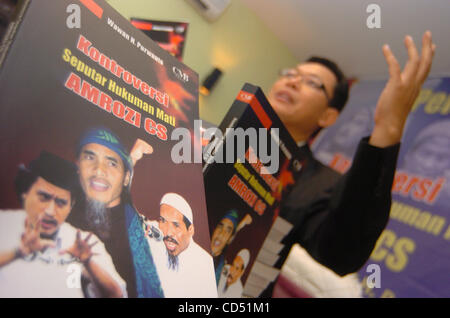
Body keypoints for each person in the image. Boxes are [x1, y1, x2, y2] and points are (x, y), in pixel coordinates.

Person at [260, 32, 436, 296]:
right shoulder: (213, 138)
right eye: (290, 73)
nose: (293, 81)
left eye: (312, 82)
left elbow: (341, 253)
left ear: (328, 116)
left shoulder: (321, 183)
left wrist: (388, 129)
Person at [0, 151, 125, 297]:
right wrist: (17, 253)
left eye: (61, 203)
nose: (51, 211)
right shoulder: (4, 223)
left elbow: (117, 295)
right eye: (44, 198)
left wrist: (88, 263)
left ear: (71, 206)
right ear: (26, 194)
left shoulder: (84, 242)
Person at [66, 128, 163, 298]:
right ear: (78, 168)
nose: (98, 170)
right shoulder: (63, 213)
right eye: (90, 157)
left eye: (111, 163)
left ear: (126, 177)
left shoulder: (131, 226)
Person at [144, 192, 217, 297]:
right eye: (163, 221)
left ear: (190, 230)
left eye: (176, 225)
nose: (168, 232)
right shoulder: (155, 233)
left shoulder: (205, 266)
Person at [210, 210, 252, 284]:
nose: (221, 234)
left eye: (228, 231)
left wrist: (243, 223)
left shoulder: (222, 268)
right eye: (220, 227)